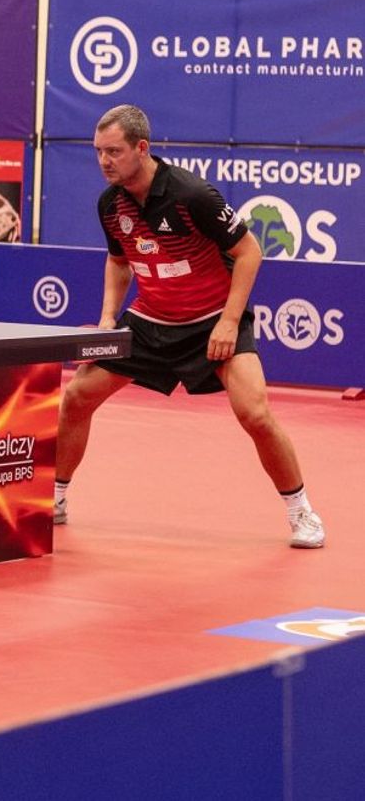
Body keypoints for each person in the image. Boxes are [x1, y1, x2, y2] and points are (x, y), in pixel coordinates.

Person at [55, 105, 324, 548]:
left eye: (114, 151)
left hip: (211, 322)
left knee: (255, 414)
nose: (104, 161)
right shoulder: (110, 204)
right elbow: (119, 261)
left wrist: (229, 322)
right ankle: (56, 498)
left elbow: (249, 252)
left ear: (142, 148)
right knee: (77, 396)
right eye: (99, 151)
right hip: (149, 321)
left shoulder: (191, 194)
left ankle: (302, 513)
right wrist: (107, 319)